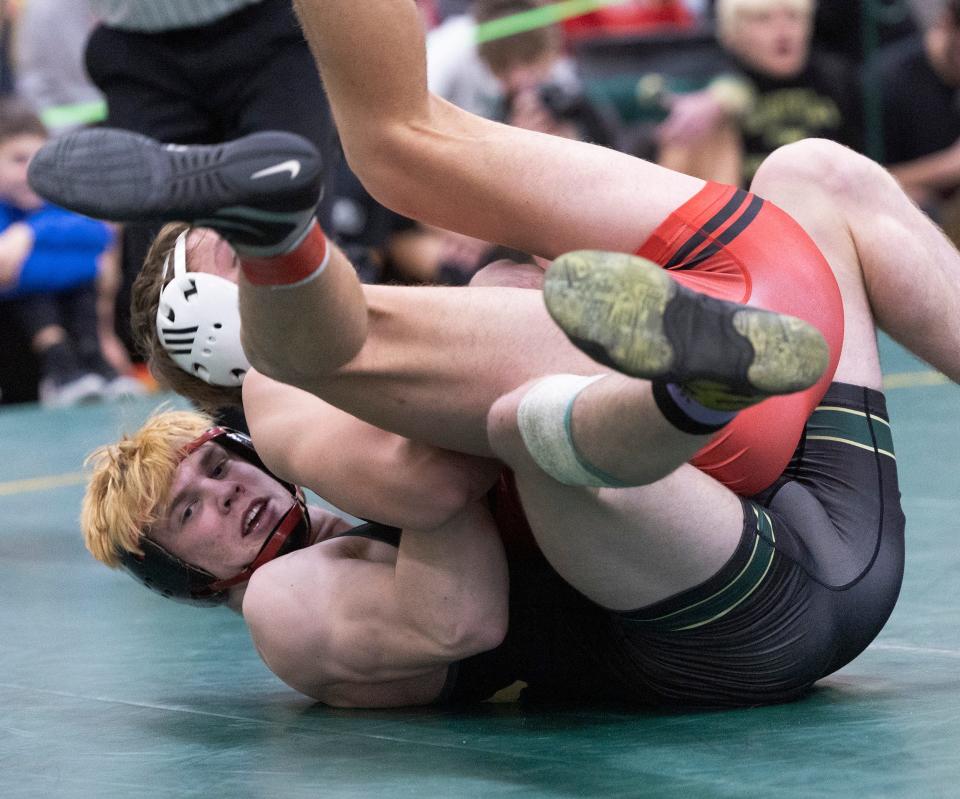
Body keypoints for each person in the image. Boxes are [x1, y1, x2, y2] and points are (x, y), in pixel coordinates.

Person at [32, 0, 960, 708]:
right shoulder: (288, 601)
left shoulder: (309, 447)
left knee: (814, 173)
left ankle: (689, 376)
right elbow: (459, 587)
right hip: (731, 617)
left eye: (206, 473)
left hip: (796, 483)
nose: (225, 494)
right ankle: (684, 384)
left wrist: (490, 305)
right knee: (517, 406)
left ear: (223, 438)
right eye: (190, 511)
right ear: (189, 580)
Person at [0, 100, 140, 405]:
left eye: (39, 160)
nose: (30, 172)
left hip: (80, 314)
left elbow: (97, 236)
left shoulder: (55, 198)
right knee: (36, 298)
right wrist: (69, 261)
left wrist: (29, 234)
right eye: (18, 160)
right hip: (17, 346)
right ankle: (60, 369)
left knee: (79, 291)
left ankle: (95, 365)